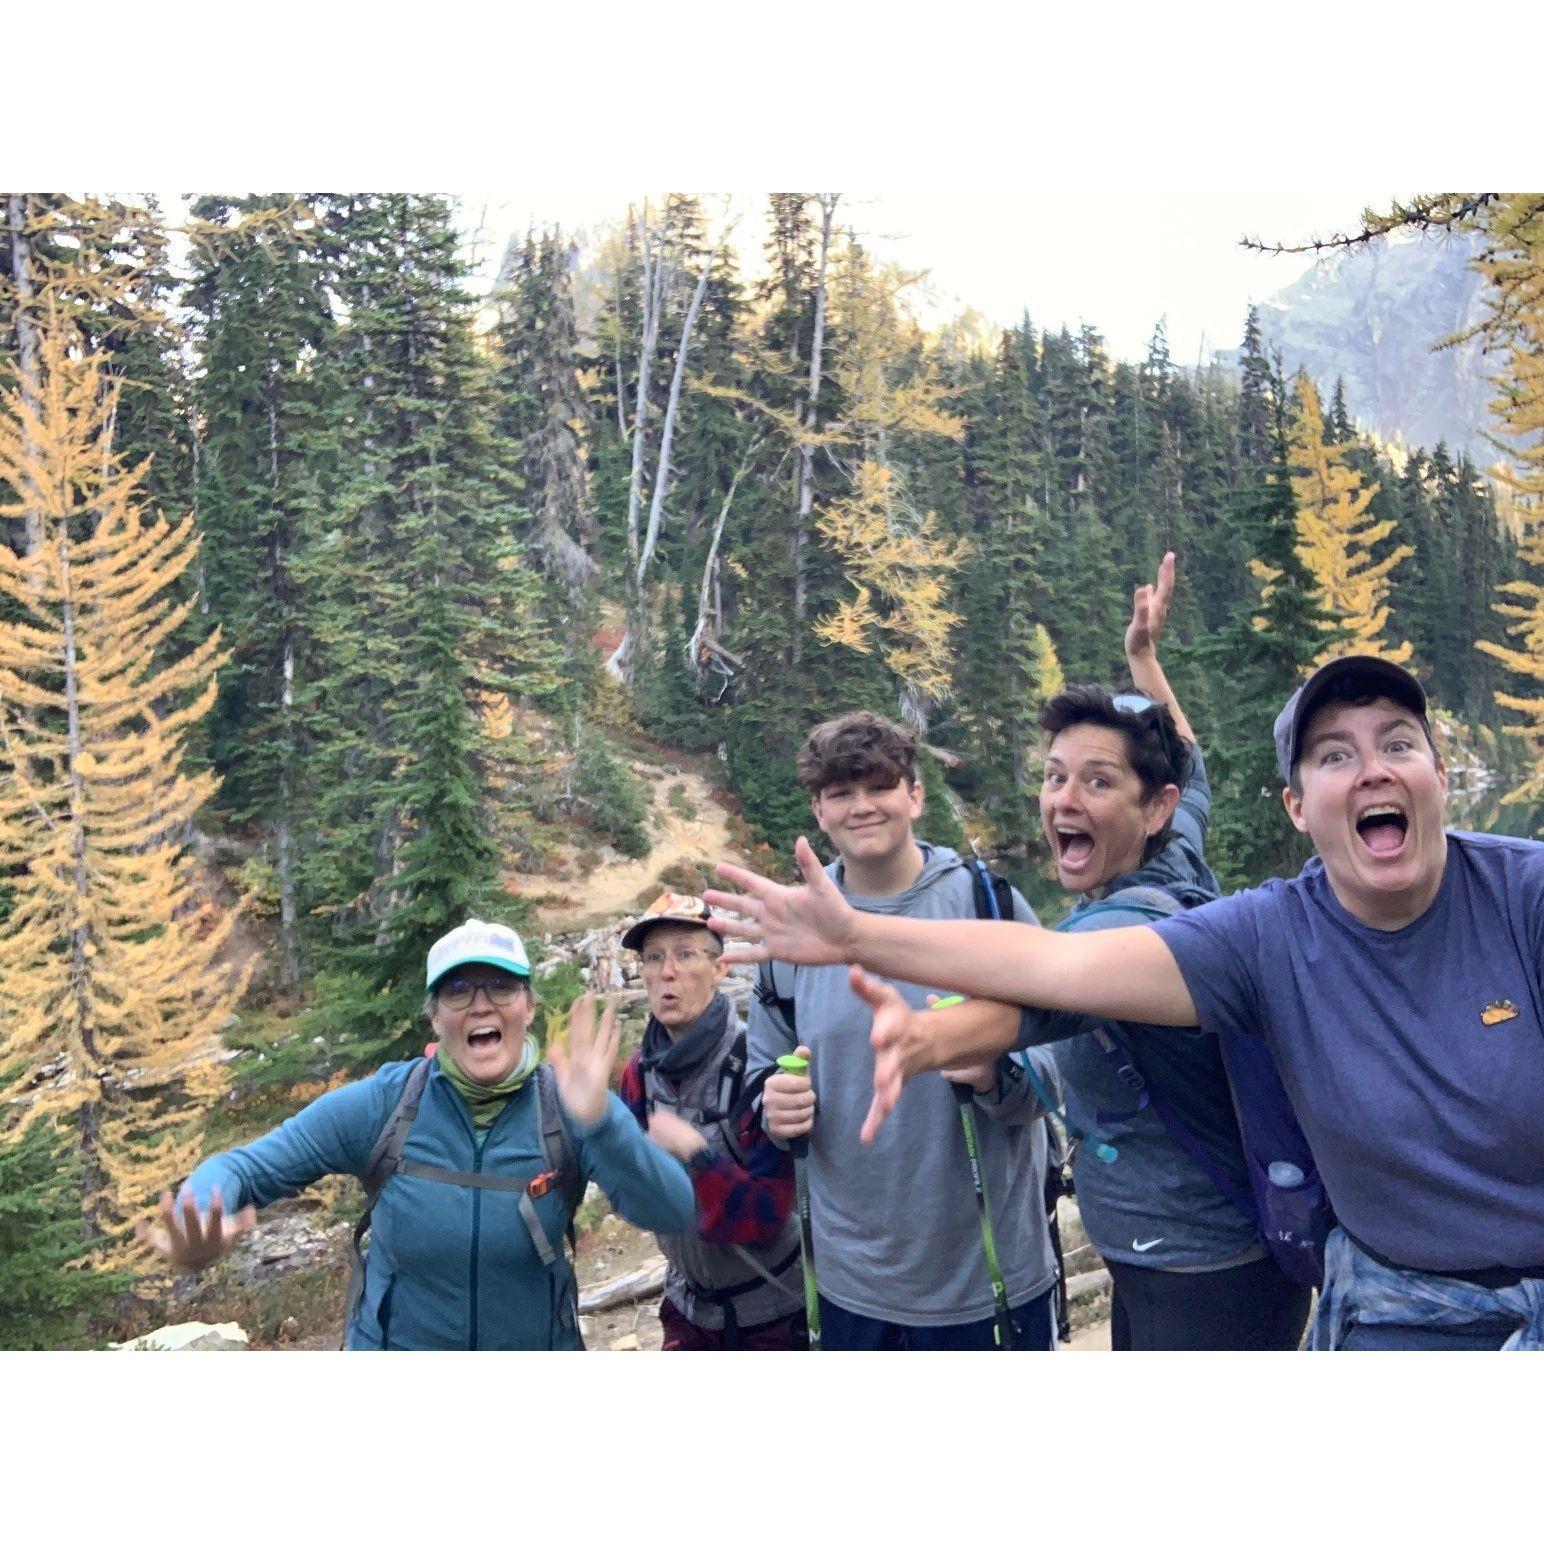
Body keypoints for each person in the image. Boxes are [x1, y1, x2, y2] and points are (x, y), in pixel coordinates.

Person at [708, 656, 1544, 1351]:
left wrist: (927, 1018)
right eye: (1333, 756)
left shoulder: (1523, 894)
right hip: (1378, 1311)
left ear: (1437, 773)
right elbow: (1065, 957)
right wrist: (860, 938)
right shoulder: (1249, 920)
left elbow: (1051, 984)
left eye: (1398, 744)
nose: (1372, 769)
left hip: (1201, 1258)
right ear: (1296, 806)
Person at [989, 553, 1310, 1349]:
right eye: (1055, 776)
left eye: (1096, 783)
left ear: (1149, 807)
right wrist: (1144, 659)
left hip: (1199, 1275)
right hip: (1187, 1252)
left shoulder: (1119, 934)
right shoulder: (1176, 854)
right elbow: (1190, 767)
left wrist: (898, 1005)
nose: (1063, 799)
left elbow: (1006, 1003)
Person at [138, 917, 696, 1350]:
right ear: (434, 1016)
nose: (481, 1004)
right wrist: (199, 1212)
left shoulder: (573, 1101)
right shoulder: (387, 1104)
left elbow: (673, 1211)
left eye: (501, 987)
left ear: (527, 1006)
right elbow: (243, 1167)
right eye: (458, 991)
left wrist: (603, 1125)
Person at [749, 710, 1064, 1351]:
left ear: (915, 796)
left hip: (993, 1279)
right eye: (841, 792)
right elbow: (764, 1070)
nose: (861, 807)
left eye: (879, 786)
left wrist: (994, 1072)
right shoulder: (791, 933)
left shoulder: (988, 906)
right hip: (848, 1289)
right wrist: (771, 1106)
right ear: (819, 810)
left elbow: (1060, 1066)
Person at [615, 891, 806, 1349]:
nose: (666, 972)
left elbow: (765, 1218)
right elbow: (632, 1200)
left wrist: (697, 1156)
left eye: (685, 954)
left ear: (720, 969)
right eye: (652, 958)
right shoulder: (639, 1073)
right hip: (686, 1310)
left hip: (776, 1313)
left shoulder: (754, 1064)